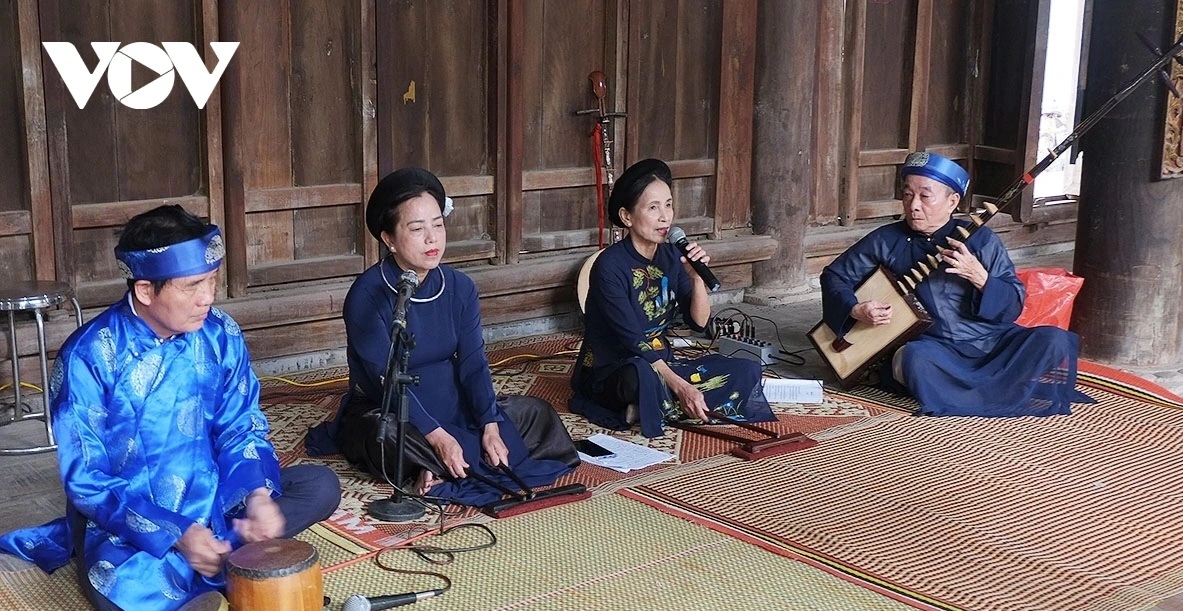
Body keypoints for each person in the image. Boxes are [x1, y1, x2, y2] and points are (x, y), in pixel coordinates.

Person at [0, 205, 341, 611]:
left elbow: (241, 426)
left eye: (212, 280)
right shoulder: (89, 355)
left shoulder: (220, 332)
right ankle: (226, 559)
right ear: (146, 290)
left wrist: (256, 495)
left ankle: (218, 554)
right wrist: (177, 532)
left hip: (217, 496)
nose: (208, 297)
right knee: (115, 589)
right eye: (193, 285)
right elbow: (85, 479)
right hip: (136, 516)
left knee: (320, 486)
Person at [306, 167, 579, 507]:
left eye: (437, 225)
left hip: (451, 401)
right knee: (387, 436)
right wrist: (438, 438)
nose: (432, 239)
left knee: (535, 413)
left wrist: (489, 424)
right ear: (389, 239)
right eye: (417, 229)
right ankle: (435, 460)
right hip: (388, 406)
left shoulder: (459, 287)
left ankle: (435, 468)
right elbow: (384, 380)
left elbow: (473, 363)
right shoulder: (367, 295)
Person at [819, 151, 1090, 416]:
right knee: (913, 359)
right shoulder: (885, 240)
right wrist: (855, 308)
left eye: (925, 196)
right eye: (908, 194)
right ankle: (999, 388)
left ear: (952, 201)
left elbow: (1013, 306)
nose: (913, 205)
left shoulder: (981, 239)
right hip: (935, 348)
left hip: (990, 343)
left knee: (1054, 341)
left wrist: (981, 278)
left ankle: (963, 392)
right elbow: (835, 276)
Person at [569, 158, 776, 438]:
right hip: (615, 366)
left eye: (668, 205)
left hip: (662, 363)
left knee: (745, 369)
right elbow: (632, 340)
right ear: (627, 217)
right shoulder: (609, 266)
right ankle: (655, 401)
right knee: (639, 376)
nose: (665, 217)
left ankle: (646, 407)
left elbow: (699, 322)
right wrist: (681, 387)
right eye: (653, 208)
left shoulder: (671, 256)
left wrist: (696, 277)